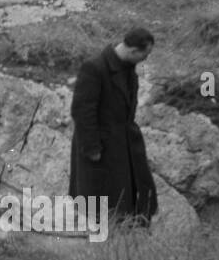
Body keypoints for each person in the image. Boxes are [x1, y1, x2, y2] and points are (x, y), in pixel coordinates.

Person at [68, 27, 159, 224]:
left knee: (136, 195)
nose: (146, 59)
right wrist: (92, 149)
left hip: (124, 143)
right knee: (104, 204)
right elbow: (82, 111)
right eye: (145, 54)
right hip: (101, 148)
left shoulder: (128, 70)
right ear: (134, 51)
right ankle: (110, 243)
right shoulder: (94, 68)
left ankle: (130, 236)